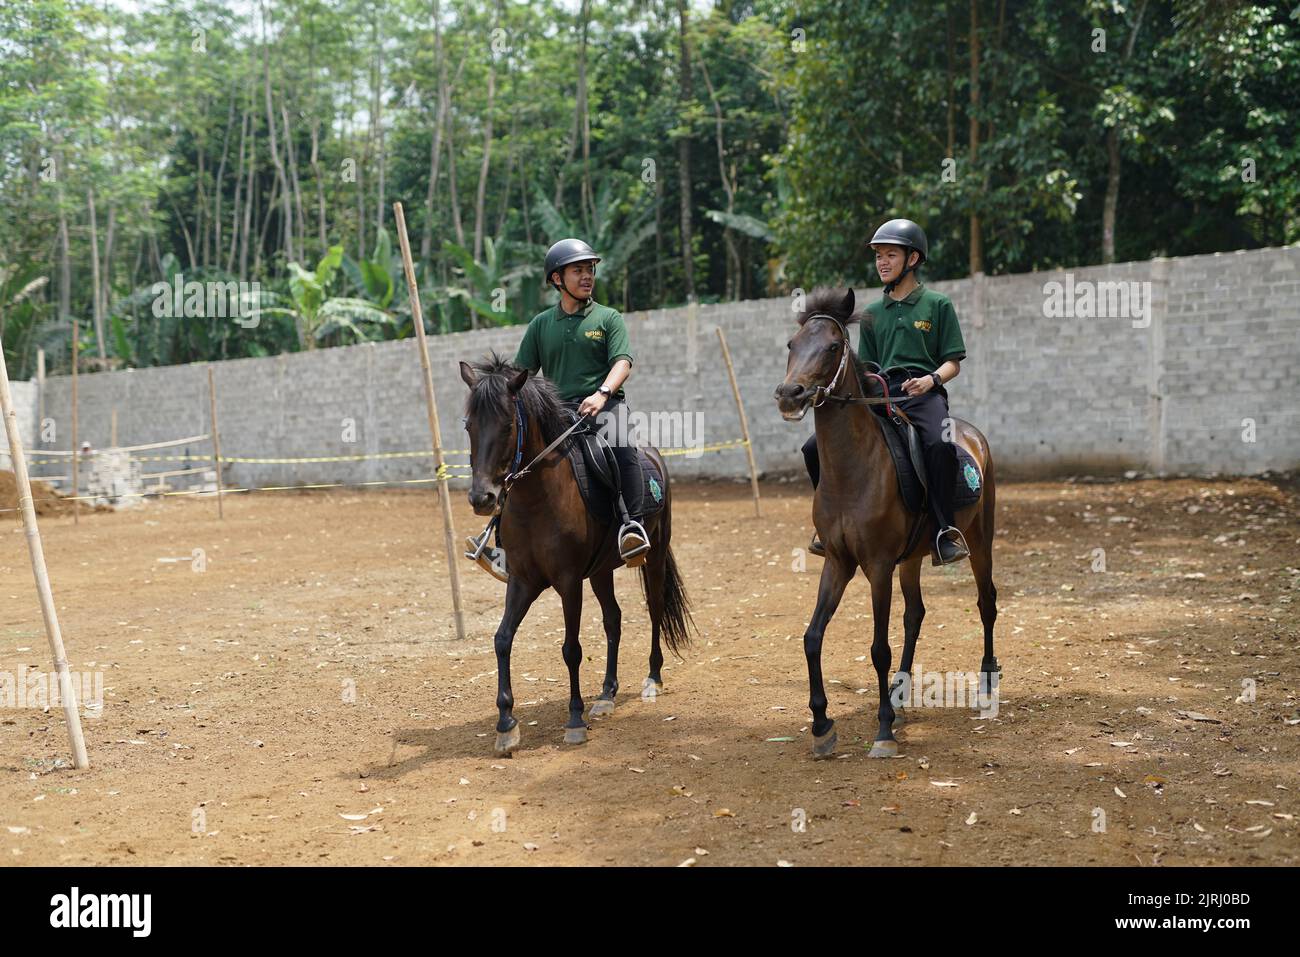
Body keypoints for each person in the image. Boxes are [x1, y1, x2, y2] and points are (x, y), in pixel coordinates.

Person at [465, 238, 650, 580]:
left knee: (623, 447)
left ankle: (632, 529)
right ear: (556, 279)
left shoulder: (608, 318)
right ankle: (502, 544)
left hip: (603, 408)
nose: (587, 276)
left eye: (590, 269)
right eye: (578, 270)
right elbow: (519, 375)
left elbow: (623, 361)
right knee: (517, 461)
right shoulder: (540, 325)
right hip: (557, 414)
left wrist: (602, 393)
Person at [802, 218, 971, 565]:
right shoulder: (873, 313)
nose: (881, 262)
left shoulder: (937, 305)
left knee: (939, 445)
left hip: (924, 394)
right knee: (811, 447)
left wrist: (930, 381)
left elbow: (953, 362)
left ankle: (943, 531)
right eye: (878, 256)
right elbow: (871, 367)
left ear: (912, 259)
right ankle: (828, 525)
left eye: (890, 255)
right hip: (881, 393)